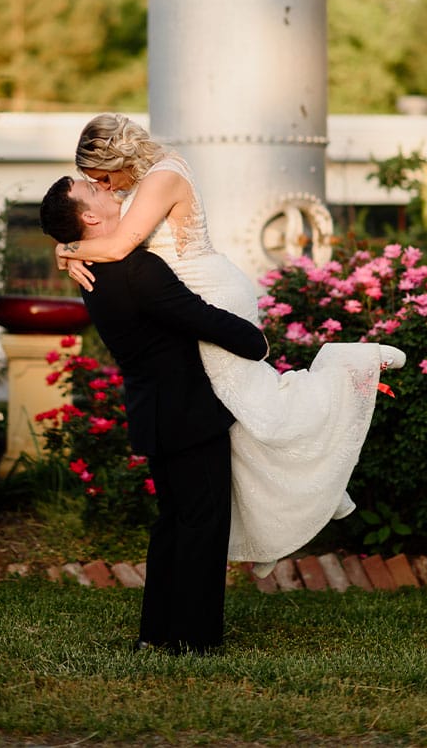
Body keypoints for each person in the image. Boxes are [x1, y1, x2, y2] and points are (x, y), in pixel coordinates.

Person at [54, 113, 406, 576]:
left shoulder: (162, 176)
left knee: (264, 403)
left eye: (102, 177)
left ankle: (350, 364)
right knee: (235, 425)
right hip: (189, 301)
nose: (105, 187)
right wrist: (67, 244)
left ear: (117, 158)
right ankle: (277, 525)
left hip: (210, 299)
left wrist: (65, 250)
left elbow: (118, 247)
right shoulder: (139, 179)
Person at [40, 175, 269, 654]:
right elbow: (199, 316)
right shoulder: (137, 269)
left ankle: (158, 633)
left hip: (156, 410)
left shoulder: (92, 269)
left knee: (174, 522)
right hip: (187, 411)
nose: (105, 186)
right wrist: (256, 341)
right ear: (89, 216)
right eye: (93, 190)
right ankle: (193, 640)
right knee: (202, 524)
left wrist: (67, 248)